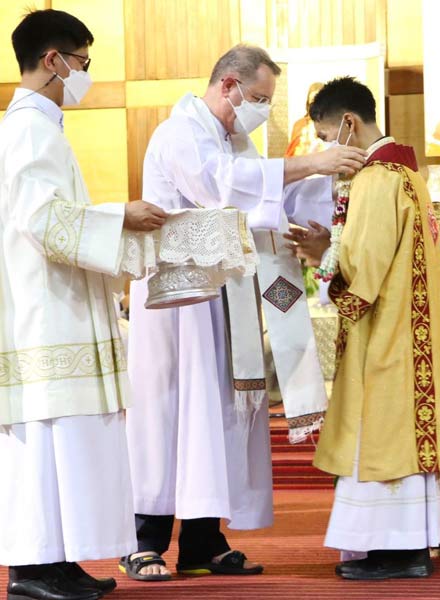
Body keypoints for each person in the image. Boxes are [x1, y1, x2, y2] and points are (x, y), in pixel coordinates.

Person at [123, 45, 366, 582]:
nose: (261, 109)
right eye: (258, 98)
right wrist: (313, 162)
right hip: (177, 300)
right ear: (228, 85)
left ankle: (203, 541)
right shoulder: (179, 132)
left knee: (218, 415)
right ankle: (144, 540)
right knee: (168, 414)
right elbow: (222, 187)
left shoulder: (235, 139)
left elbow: (271, 199)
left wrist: (332, 184)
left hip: (222, 299)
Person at [0, 9, 167, 600]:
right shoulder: (28, 129)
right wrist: (120, 215)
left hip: (58, 305)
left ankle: (59, 559)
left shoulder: (40, 128)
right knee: (47, 445)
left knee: (64, 449)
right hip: (45, 317)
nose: (85, 75)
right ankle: (33, 569)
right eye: (82, 62)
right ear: (54, 60)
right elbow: (43, 221)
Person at [298, 76, 440, 580]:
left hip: (387, 335)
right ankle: (405, 547)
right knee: (398, 434)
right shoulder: (408, 173)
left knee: (381, 436)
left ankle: (397, 551)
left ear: (349, 123)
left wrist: (322, 255)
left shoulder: (377, 178)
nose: (326, 150)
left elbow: (363, 271)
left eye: (326, 138)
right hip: (410, 332)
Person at [285, 82, 325, 157]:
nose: (315, 106)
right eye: (312, 102)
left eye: (319, 102)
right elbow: (291, 157)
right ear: (308, 103)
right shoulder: (300, 125)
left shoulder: (334, 125)